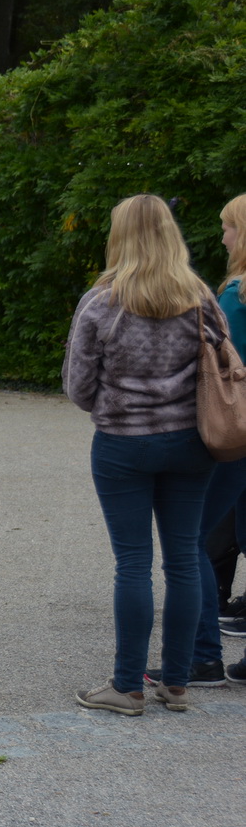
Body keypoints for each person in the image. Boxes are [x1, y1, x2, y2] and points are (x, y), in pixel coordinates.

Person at [64, 193, 220, 716]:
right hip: (191, 443)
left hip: (122, 445)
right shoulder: (199, 296)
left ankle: (127, 686)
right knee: (183, 560)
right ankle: (176, 683)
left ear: (119, 237)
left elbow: (78, 387)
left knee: (133, 562)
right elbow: (224, 361)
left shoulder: (100, 301)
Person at [183, 193, 246, 689]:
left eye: (227, 227)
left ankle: (201, 655)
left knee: (193, 539)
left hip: (237, 431)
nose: (222, 236)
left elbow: (225, 369)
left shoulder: (236, 294)